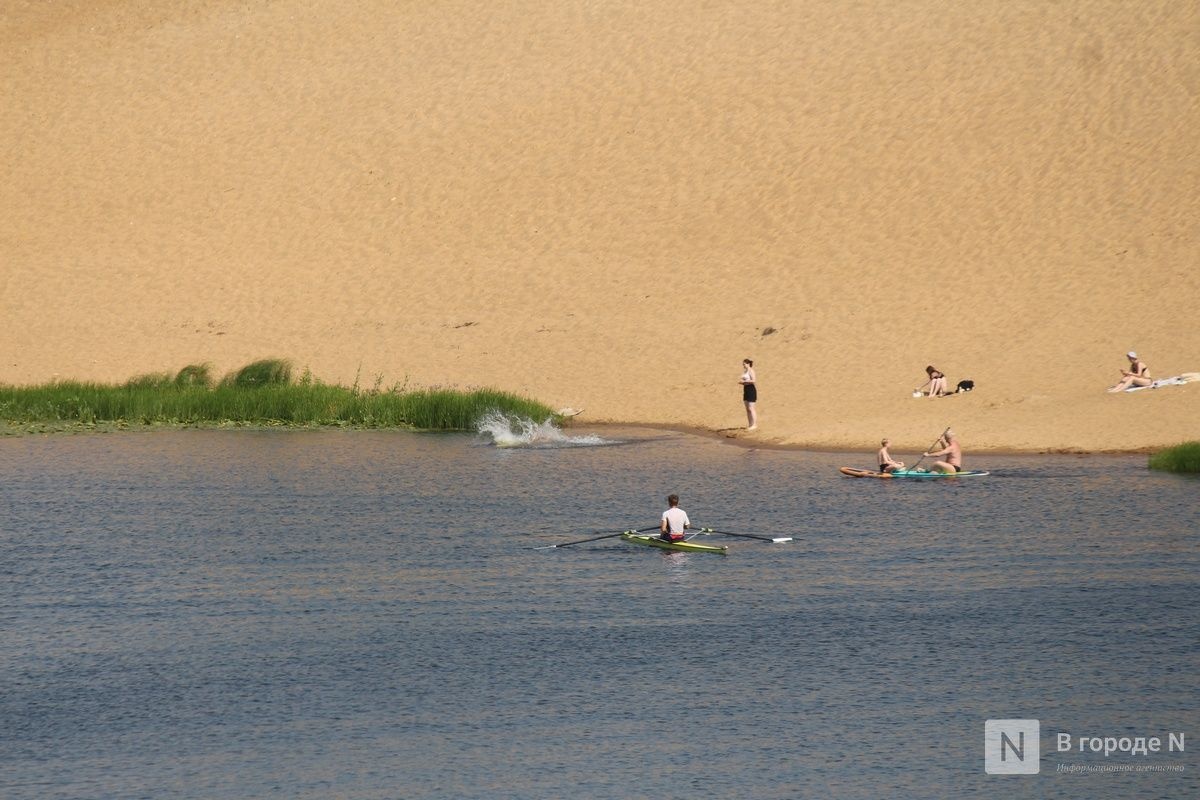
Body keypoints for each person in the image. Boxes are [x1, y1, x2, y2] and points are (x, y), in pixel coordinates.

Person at [740, 358, 758, 430]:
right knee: (747, 408)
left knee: (751, 408)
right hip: (746, 389)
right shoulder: (745, 371)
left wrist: (744, 382)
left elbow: (754, 380)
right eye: (743, 364)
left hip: (751, 389)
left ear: (748, 364)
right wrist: (742, 383)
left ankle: (755, 424)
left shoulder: (751, 371)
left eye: (744, 364)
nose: (743, 365)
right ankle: (750, 424)